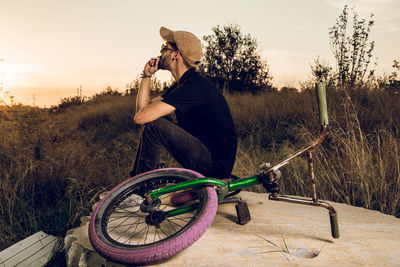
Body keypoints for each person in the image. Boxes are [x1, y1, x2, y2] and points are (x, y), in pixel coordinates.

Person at [130, 27, 237, 179]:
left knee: (155, 125)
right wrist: (146, 75)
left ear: (176, 54)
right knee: (154, 119)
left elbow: (141, 118)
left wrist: (146, 116)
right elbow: (143, 111)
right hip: (209, 159)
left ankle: (139, 190)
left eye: (165, 48)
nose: (160, 52)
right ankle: (142, 182)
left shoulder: (193, 87)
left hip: (214, 166)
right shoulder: (184, 84)